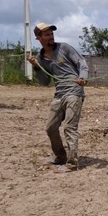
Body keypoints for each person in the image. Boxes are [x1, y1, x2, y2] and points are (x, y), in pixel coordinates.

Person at [27, 23, 89, 170]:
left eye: (51, 34)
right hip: (59, 94)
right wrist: (36, 66)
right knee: (50, 128)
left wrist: (83, 76)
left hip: (74, 91)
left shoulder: (64, 48)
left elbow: (81, 62)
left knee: (69, 127)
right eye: (47, 34)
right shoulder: (39, 58)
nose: (51, 37)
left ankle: (73, 163)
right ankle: (61, 157)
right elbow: (44, 82)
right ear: (38, 38)